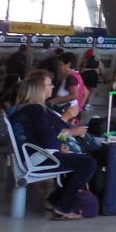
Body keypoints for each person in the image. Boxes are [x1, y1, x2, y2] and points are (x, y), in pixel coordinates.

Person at [8, 70, 95, 220]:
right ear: (40, 89)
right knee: (88, 163)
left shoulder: (20, 110)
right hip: (38, 158)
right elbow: (47, 138)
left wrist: (58, 145)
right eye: (49, 85)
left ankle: (55, 200)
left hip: (30, 156)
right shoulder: (36, 110)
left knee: (76, 161)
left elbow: (40, 136)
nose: (52, 87)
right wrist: (65, 118)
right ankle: (63, 207)